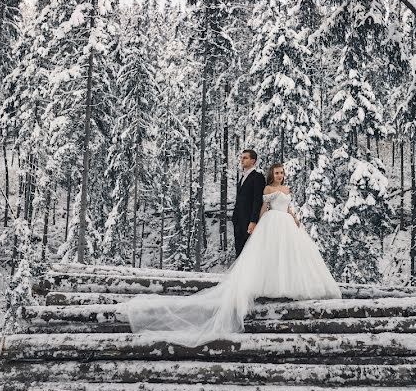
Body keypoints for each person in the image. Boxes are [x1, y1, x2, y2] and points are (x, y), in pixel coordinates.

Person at [119, 161, 341, 347]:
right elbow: (265, 209)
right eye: (276, 173)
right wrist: (257, 224)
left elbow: (289, 207)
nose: (280, 176)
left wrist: (294, 216)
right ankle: (269, 286)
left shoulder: (287, 189)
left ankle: (290, 285)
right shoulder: (268, 189)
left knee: (290, 256)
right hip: (273, 222)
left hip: (287, 222)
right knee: (271, 254)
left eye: (282, 173)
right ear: (271, 174)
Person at [231, 149, 266, 257]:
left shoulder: (258, 177)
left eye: (245, 158)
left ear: (253, 161)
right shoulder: (242, 178)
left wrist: (253, 221)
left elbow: (257, 200)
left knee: (249, 252)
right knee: (239, 250)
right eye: (241, 158)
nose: (242, 160)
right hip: (238, 220)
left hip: (249, 221)